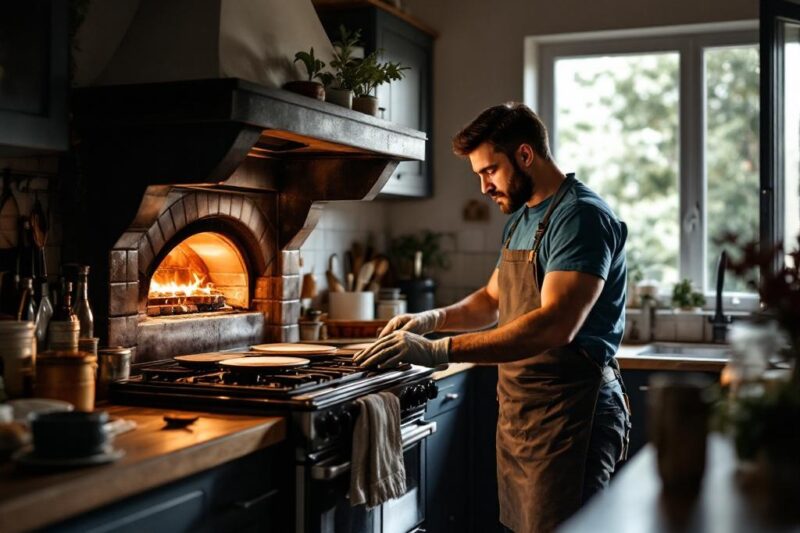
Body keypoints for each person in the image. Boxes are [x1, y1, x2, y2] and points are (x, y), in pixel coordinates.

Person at [355, 102, 631, 532]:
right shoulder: (522, 217)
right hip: (524, 417)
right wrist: (430, 319)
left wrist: (438, 350)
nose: (484, 187)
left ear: (525, 155)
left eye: (489, 171)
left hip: (572, 416)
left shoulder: (580, 217)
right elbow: (490, 299)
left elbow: (556, 324)